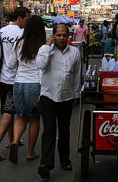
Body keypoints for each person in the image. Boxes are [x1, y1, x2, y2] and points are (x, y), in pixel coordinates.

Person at [36, 23, 81, 180]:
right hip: (48, 96)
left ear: (68, 36)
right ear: (53, 35)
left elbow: (76, 75)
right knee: (49, 130)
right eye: (59, 35)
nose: (62, 38)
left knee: (64, 130)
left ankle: (65, 160)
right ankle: (46, 164)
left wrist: (76, 94)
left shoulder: (75, 52)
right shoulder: (45, 50)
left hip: (67, 97)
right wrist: (47, 46)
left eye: (64, 35)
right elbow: (40, 65)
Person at [0, 7, 30, 163]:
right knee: (11, 111)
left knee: (8, 109)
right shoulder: (21, 34)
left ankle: (12, 139)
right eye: (27, 17)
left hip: (1, 77)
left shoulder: (1, 31)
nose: (28, 20)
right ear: (19, 18)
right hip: (15, 78)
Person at [6, 15, 46, 164]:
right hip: (35, 85)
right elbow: (42, 69)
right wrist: (42, 91)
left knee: (21, 117)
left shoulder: (19, 43)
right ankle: (30, 152)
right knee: (34, 119)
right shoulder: (42, 45)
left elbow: (10, 65)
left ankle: (15, 141)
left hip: (19, 84)